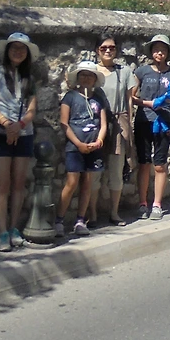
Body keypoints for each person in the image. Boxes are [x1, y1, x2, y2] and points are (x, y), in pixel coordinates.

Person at [0, 31, 39, 253]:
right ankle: (2, 231)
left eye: (22, 48)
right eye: (14, 47)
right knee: (2, 185)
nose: (18, 51)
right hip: (0, 133)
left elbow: (32, 109)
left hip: (23, 134)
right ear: (7, 51)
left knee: (18, 184)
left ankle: (14, 227)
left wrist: (20, 126)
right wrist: (7, 125)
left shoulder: (30, 80)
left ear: (27, 53)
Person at [130, 33, 170, 221]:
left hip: (163, 123)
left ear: (167, 52)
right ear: (151, 51)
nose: (159, 52)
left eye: (163, 49)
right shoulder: (141, 72)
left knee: (159, 164)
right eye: (156, 48)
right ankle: (143, 203)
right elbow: (132, 96)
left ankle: (157, 205)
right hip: (144, 121)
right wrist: (148, 103)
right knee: (144, 163)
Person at [89, 32, 136, 226]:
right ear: (97, 50)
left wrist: (129, 125)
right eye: (104, 48)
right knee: (94, 173)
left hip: (117, 125)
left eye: (112, 48)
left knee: (116, 171)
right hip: (96, 125)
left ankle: (114, 213)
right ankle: (91, 214)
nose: (108, 51)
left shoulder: (124, 72)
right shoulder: (91, 71)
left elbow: (129, 99)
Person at [57, 60, 108, 237]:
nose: (86, 78)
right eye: (83, 75)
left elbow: (103, 124)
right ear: (78, 78)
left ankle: (80, 220)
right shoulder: (70, 97)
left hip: (93, 146)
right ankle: (59, 220)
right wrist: (78, 144)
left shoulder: (98, 99)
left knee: (87, 183)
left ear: (95, 79)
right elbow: (64, 123)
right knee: (72, 183)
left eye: (90, 75)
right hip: (75, 146)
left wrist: (99, 141)